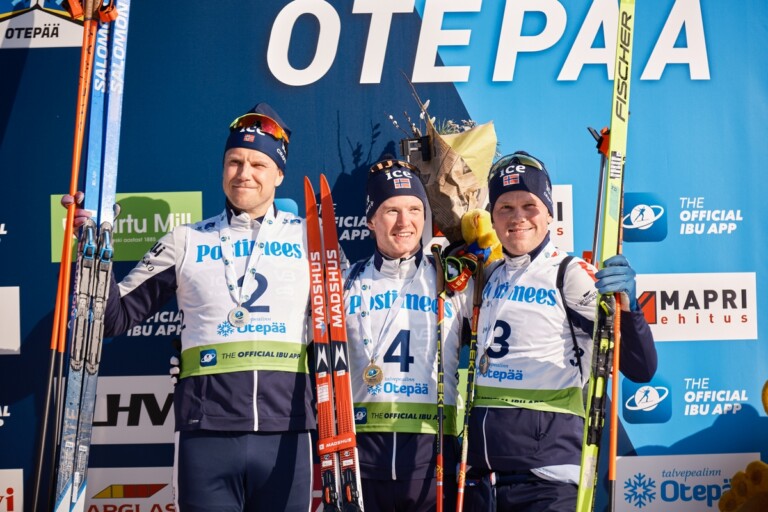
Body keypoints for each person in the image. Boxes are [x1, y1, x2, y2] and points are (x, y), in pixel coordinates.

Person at [63, 103, 314, 512]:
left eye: (258, 164)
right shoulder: (186, 240)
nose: (244, 173)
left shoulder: (312, 240)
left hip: (287, 434)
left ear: (279, 175)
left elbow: (351, 322)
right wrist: (92, 248)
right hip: (206, 434)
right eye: (234, 162)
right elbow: (112, 318)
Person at [462, 151, 658, 511]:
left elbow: (640, 368)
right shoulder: (488, 277)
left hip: (547, 479)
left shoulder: (569, 273)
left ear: (550, 213)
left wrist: (629, 309)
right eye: (505, 208)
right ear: (492, 217)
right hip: (485, 479)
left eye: (529, 206)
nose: (518, 218)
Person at [344, 158, 470, 511]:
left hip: (432, 460)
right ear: (370, 220)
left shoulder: (454, 281)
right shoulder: (346, 283)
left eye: (415, 210)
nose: (405, 222)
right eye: (391, 211)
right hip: (363, 460)